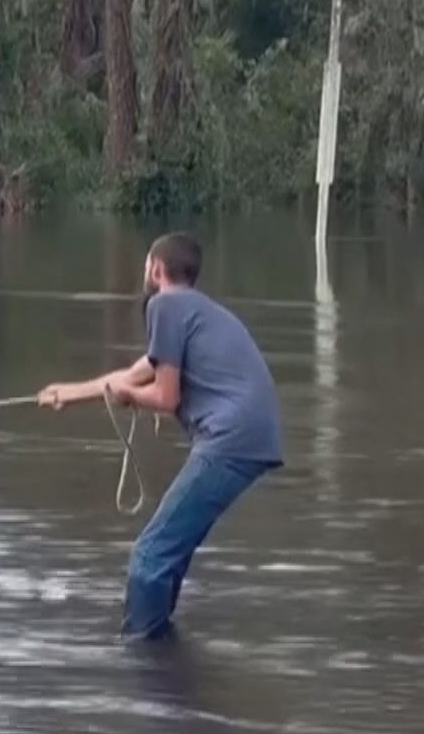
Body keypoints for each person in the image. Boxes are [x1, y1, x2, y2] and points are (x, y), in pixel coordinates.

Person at [39, 232, 284, 640]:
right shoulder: (193, 310)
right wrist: (67, 392)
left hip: (230, 438)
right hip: (251, 437)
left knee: (149, 555)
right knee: (169, 552)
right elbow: (136, 375)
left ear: (155, 268)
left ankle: (141, 656)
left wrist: (130, 397)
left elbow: (164, 397)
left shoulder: (165, 306)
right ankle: (162, 658)